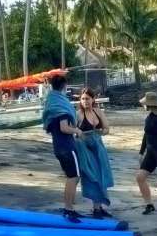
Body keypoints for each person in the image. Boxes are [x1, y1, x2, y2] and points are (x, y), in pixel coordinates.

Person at [41, 74, 85, 222]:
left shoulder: (51, 102)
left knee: (72, 177)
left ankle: (70, 208)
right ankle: (68, 209)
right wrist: (77, 131)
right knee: (74, 177)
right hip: (67, 147)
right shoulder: (60, 105)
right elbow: (64, 127)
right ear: (65, 86)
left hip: (59, 146)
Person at [75, 88, 114, 218]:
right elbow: (73, 132)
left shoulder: (98, 112)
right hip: (85, 149)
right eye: (83, 99)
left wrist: (99, 132)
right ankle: (96, 208)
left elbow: (107, 128)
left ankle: (99, 207)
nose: (85, 101)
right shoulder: (78, 114)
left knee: (102, 175)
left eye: (87, 98)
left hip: (98, 147)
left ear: (93, 99)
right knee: (92, 176)